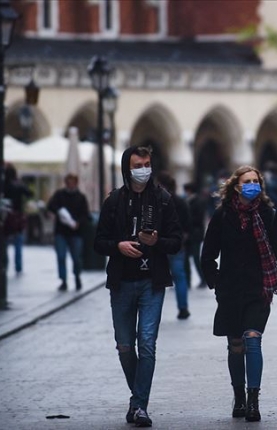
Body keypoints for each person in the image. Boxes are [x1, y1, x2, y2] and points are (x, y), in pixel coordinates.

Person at [94, 146, 182, 427]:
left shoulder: (164, 200)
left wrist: (158, 243)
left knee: (147, 345)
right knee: (123, 346)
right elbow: (99, 242)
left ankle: (139, 405)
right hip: (121, 282)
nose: (144, 169)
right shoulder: (114, 201)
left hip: (151, 282)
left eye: (147, 163)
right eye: (138, 164)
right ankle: (138, 397)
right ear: (127, 168)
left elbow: (177, 240)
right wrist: (118, 246)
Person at [201, 165, 277, 422]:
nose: (252, 185)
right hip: (230, 290)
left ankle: (253, 399)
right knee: (235, 345)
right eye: (247, 181)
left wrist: (272, 280)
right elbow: (208, 254)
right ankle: (238, 396)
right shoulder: (222, 215)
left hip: (258, 290)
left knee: (252, 339)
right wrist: (216, 282)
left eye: (256, 181)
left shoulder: (269, 215)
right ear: (236, 186)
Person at [47, 173, 90, 291]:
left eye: (72, 182)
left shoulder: (81, 197)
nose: (70, 184)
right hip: (61, 232)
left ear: (76, 183)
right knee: (61, 256)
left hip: (76, 232)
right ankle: (63, 280)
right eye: (68, 182)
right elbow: (50, 206)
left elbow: (85, 215)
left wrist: (78, 223)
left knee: (76, 257)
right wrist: (59, 212)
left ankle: (77, 276)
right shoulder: (59, 195)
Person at [158, 172, 191, 319]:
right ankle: (183, 307)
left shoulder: (157, 201)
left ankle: (154, 310)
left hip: (158, 244)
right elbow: (187, 225)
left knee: (157, 279)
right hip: (177, 245)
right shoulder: (180, 201)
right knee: (180, 277)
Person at [3, 163, 33, 275]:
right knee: (18, 243)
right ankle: (18, 266)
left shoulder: (2, 185)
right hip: (18, 217)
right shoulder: (18, 185)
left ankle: (4, 264)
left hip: (6, 216)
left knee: (4, 242)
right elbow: (30, 193)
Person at [184, 182, 207, 288]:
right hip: (189, 234)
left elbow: (198, 218)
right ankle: (187, 280)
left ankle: (203, 279)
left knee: (196, 258)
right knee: (186, 258)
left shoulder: (197, 201)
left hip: (195, 235)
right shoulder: (189, 201)